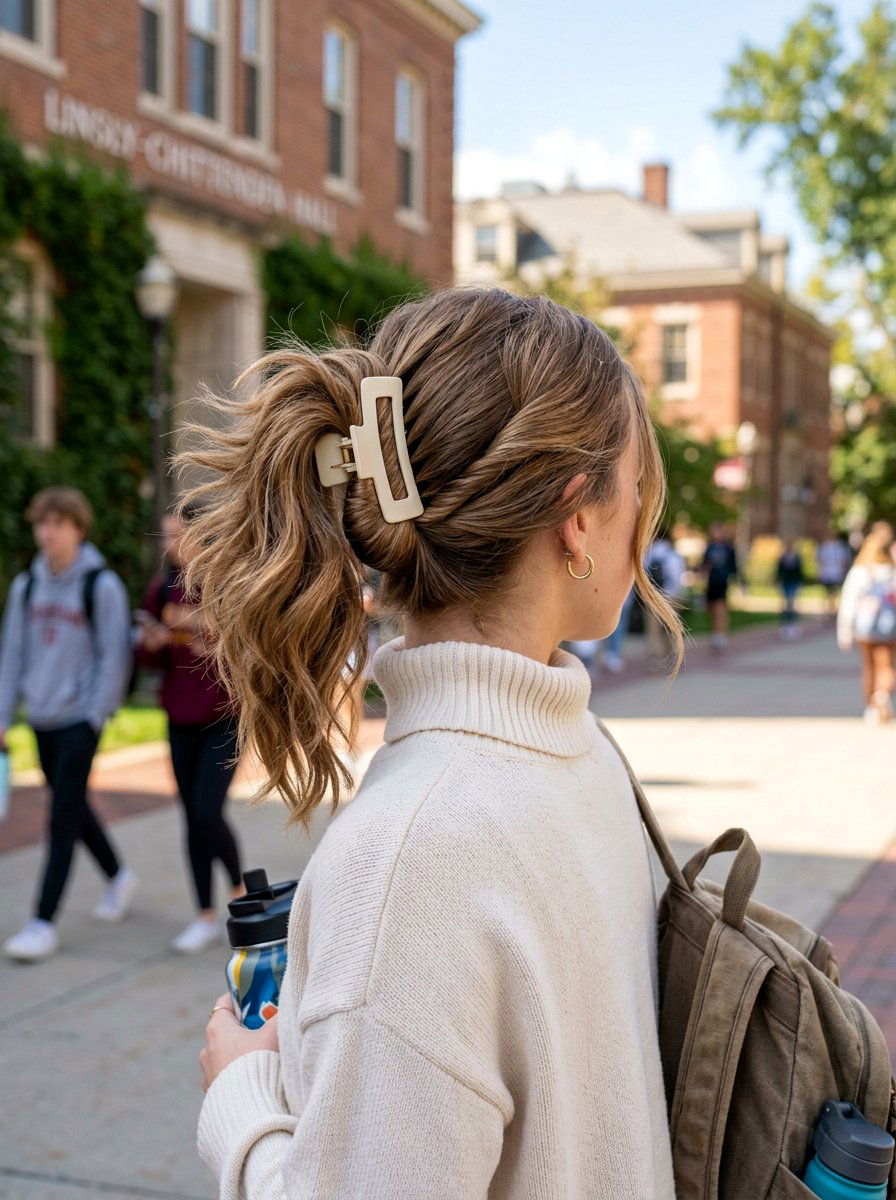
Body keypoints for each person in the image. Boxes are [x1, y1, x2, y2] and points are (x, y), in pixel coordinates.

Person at [189, 288, 682, 1197]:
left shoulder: (412, 853)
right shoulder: (574, 760)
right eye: (639, 489)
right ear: (578, 517)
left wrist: (242, 1107)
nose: (646, 524)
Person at [0, 487, 134, 962]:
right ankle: (118, 875)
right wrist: (4, 715)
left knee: (60, 818)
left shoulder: (100, 585)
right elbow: (13, 653)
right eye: (41, 523)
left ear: (78, 528)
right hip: (40, 717)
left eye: (57, 523)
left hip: (80, 718)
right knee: (70, 805)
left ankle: (41, 922)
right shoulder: (27, 586)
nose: (47, 532)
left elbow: (114, 655)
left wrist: (95, 716)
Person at [138, 507, 245, 953]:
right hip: (179, 718)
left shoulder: (229, 587)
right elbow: (148, 659)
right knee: (190, 817)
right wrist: (151, 645)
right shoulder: (162, 589)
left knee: (207, 811)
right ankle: (203, 913)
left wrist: (213, 640)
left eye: (179, 536)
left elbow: (249, 651)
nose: (171, 546)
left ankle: (240, 892)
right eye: (167, 537)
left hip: (225, 716)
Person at [837, 520, 896, 723]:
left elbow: (848, 603)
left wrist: (844, 631)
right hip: (889, 626)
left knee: (869, 666)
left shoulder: (860, 571)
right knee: (886, 665)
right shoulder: (891, 571)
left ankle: (871, 706)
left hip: (865, 627)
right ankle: (882, 695)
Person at [645, 529, 686, 671]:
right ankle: (673, 659)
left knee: (653, 630)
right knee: (671, 630)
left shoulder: (650, 553)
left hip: (655, 597)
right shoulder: (673, 554)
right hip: (672, 597)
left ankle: (655, 660)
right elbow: (678, 578)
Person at [701, 522, 738, 652]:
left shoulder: (728, 549)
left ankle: (721, 634)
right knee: (711, 609)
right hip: (711, 582)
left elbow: (734, 567)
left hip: (722, 582)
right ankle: (715, 633)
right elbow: (704, 564)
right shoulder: (710, 548)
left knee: (720, 608)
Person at [816, 530, 852, 619]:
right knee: (827, 592)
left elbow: (844, 560)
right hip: (826, 573)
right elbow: (819, 560)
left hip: (836, 573)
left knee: (835, 592)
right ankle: (828, 609)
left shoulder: (840, 547)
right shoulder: (823, 547)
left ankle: (834, 609)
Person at [776, 538, 804, 639]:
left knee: (792, 603)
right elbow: (779, 571)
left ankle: (793, 625)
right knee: (785, 604)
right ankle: (785, 625)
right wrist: (778, 581)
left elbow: (799, 571)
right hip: (785, 583)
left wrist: (800, 583)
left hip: (794, 583)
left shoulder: (796, 557)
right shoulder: (783, 557)